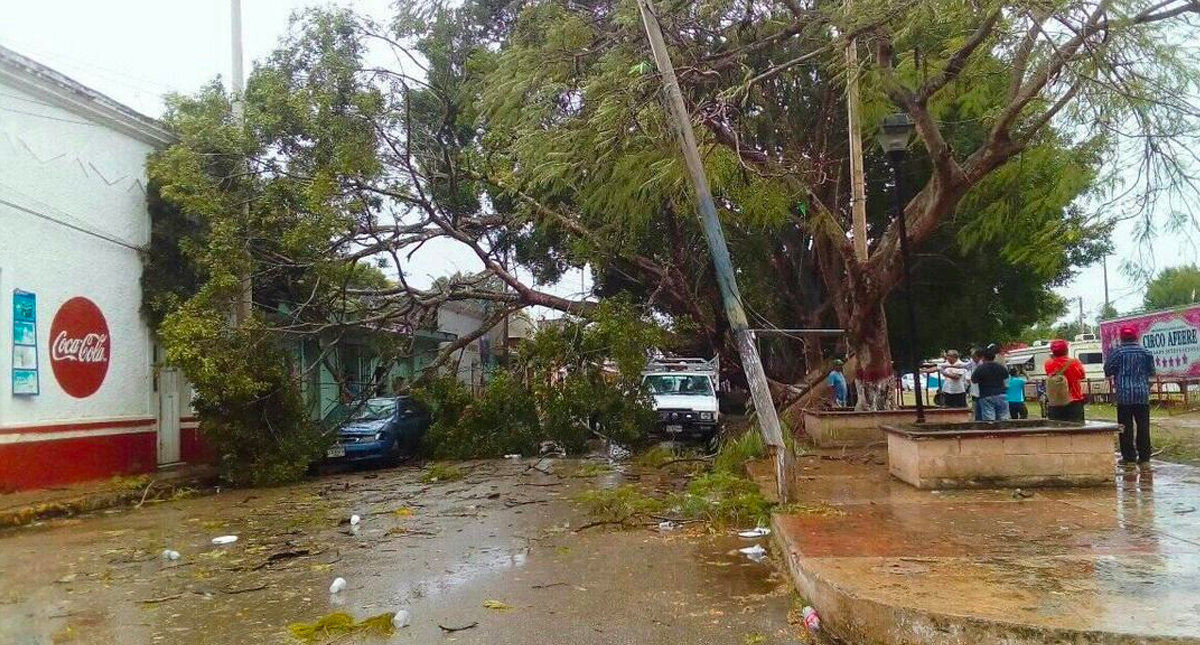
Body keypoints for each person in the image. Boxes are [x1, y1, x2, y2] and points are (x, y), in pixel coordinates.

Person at [1104, 325, 1156, 466]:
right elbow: (1152, 372)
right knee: (1143, 427)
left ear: (1121, 337)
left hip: (1124, 396)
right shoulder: (1146, 352)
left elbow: (1108, 370)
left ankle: (1129, 457)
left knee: (1125, 428)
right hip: (1142, 395)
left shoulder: (1117, 352)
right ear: (1136, 336)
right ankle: (1144, 457)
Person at [1043, 339, 1086, 421]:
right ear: (1066, 350)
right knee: (1076, 430)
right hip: (1074, 401)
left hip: (1056, 401)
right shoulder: (1075, 363)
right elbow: (1082, 376)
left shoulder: (1048, 364)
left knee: (1057, 431)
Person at [971, 346, 1010, 421]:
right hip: (1001, 394)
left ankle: (991, 432)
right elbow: (1006, 381)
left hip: (986, 395)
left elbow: (973, 380)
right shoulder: (1001, 367)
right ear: (994, 357)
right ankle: (1003, 431)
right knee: (1003, 417)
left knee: (989, 419)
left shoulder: (980, 368)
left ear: (984, 358)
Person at [965, 347, 985, 420]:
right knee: (976, 408)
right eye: (972, 357)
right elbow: (963, 366)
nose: (973, 359)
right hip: (975, 391)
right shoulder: (972, 362)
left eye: (974, 357)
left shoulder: (984, 364)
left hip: (983, 391)